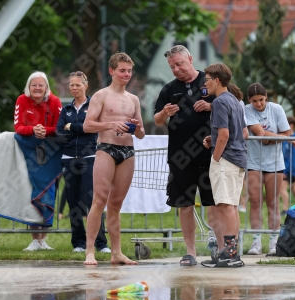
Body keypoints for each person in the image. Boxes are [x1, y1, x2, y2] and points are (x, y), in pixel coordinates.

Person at [153, 45, 217, 266]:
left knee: (213, 202)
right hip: (181, 157)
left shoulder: (211, 82)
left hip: (209, 153)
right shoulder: (169, 89)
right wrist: (164, 113)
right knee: (184, 204)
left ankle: (216, 246)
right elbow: (157, 120)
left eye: (179, 64)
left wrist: (210, 107)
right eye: (172, 66)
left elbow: (232, 105)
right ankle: (190, 252)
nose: (176, 69)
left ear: (190, 59)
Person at [83, 52, 145, 265]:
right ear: (112, 71)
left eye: (129, 71)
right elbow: (87, 125)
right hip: (106, 149)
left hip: (127, 151)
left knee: (116, 205)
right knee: (99, 200)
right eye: (122, 71)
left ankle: (116, 252)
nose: (126, 74)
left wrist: (137, 128)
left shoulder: (134, 99)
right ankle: (89, 250)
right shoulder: (101, 95)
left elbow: (141, 133)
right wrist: (110, 124)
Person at [57, 71, 111, 254]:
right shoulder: (66, 110)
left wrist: (73, 127)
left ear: (85, 86)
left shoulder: (94, 106)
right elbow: (60, 133)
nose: (74, 88)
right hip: (69, 158)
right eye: (71, 85)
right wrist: (80, 129)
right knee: (74, 201)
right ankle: (78, 242)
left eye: (77, 85)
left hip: (90, 158)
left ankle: (101, 243)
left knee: (94, 201)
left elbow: (93, 128)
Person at [201, 63, 247, 268]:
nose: (205, 83)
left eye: (207, 79)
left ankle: (229, 253)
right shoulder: (235, 101)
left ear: (217, 80)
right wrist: (214, 138)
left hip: (226, 159)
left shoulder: (219, 102)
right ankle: (232, 251)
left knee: (225, 205)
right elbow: (237, 132)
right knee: (232, 206)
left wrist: (216, 157)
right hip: (238, 158)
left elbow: (225, 134)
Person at [245, 83, 295, 256]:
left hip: (274, 163)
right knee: (255, 201)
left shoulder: (277, 109)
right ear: (249, 100)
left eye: (261, 100)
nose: (258, 104)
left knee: (273, 202)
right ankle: (256, 242)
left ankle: (274, 242)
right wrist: (282, 138)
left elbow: (287, 133)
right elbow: (260, 134)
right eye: (255, 101)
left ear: (266, 97)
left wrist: (280, 138)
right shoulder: (247, 110)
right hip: (253, 161)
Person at [14, 71, 62, 251]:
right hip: (30, 154)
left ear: (46, 87)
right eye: (34, 85)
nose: (37, 88)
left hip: (51, 153)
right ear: (28, 86)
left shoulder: (55, 102)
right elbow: (18, 126)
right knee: (33, 192)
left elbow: (59, 127)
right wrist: (33, 130)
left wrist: (45, 131)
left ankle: (43, 240)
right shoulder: (21, 100)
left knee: (50, 190)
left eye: (41, 85)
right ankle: (35, 239)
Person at [227, 83, 248, 213]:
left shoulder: (235, 104)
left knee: (229, 201)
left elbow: (244, 132)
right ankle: (241, 203)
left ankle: (243, 203)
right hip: (238, 151)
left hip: (231, 152)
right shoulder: (240, 104)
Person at [280, 116, 295, 214]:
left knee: (282, 187)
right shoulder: (285, 138)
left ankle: (285, 209)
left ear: (291, 125)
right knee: (293, 189)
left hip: (289, 168)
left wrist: (286, 171)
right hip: (289, 168)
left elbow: (293, 157)